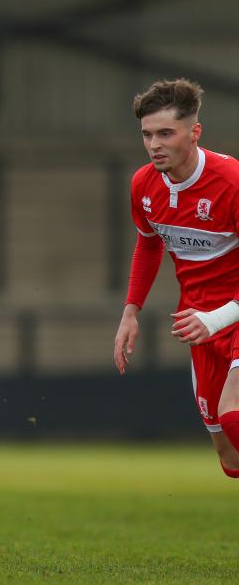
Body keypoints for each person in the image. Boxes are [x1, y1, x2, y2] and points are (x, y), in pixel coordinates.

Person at [114, 78, 239, 479]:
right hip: (198, 324)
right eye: (147, 134)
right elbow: (148, 245)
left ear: (194, 132)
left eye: (166, 133)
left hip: (231, 317)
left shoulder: (232, 182)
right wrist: (130, 312)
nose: (154, 144)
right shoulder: (143, 184)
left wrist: (218, 318)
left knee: (233, 415)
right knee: (229, 456)